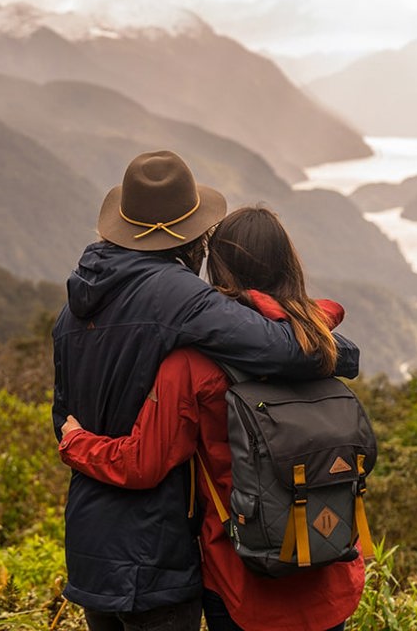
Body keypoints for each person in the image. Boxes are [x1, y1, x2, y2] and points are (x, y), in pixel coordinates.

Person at [53, 153, 359, 631]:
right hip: (305, 562)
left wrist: (75, 442)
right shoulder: (179, 302)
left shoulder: (70, 317)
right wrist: (336, 352)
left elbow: (68, 421)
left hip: (103, 545)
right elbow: (276, 345)